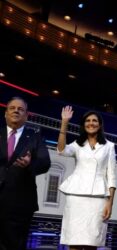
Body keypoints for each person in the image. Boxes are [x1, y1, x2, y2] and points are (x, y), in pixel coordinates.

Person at [58, 106, 117, 250]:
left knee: (92, 242)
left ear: (100, 124)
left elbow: (111, 176)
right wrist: (64, 123)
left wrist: (110, 203)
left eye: (94, 120)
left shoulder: (109, 146)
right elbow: (61, 150)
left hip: (98, 199)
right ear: (84, 125)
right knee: (74, 240)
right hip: (76, 197)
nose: (91, 123)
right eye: (88, 121)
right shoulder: (77, 145)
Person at [0, 96, 51, 250]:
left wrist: (30, 164)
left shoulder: (35, 137)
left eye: (21, 109)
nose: (16, 110)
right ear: (5, 113)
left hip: (20, 203)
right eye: (12, 108)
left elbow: (45, 163)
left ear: (26, 116)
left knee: (14, 244)